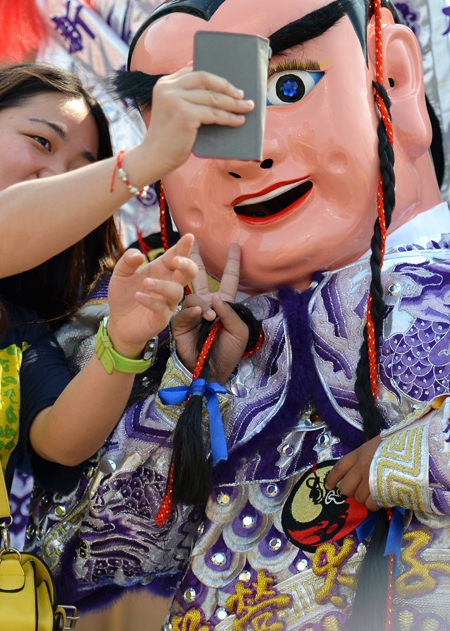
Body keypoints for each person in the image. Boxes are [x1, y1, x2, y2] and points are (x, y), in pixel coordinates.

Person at [26, 1, 450, 630]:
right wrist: (185, 386)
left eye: (289, 87)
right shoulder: (178, 337)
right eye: (193, 122)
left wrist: (413, 459)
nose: (249, 157)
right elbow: (89, 557)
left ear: (395, 80)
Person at [0, 62, 254, 631]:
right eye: (41, 141)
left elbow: (62, 441)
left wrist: (125, 337)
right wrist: (146, 159)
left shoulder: (18, 325)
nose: (56, 174)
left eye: (80, 171)